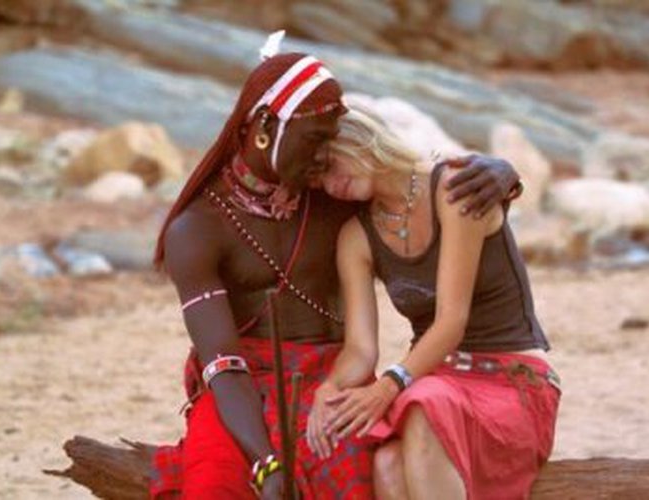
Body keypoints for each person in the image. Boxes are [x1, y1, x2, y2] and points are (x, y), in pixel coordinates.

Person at [150, 48, 522, 499]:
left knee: (358, 474)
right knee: (213, 483)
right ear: (266, 128)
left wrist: (501, 173)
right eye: (315, 139)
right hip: (239, 386)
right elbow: (222, 365)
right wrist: (265, 462)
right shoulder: (196, 229)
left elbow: (413, 187)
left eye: (330, 142)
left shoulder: (334, 195)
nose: (323, 155)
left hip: (335, 374)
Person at [306, 107, 560, 500]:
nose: (329, 184)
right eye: (317, 181)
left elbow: (451, 320)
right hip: (436, 381)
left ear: (358, 139)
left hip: (509, 377)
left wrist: (389, 385)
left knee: (424, 404)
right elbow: (361, 348)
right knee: (386, 464)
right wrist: (330, 386)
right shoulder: (355, 237)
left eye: (328, 165)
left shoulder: (456, 188)